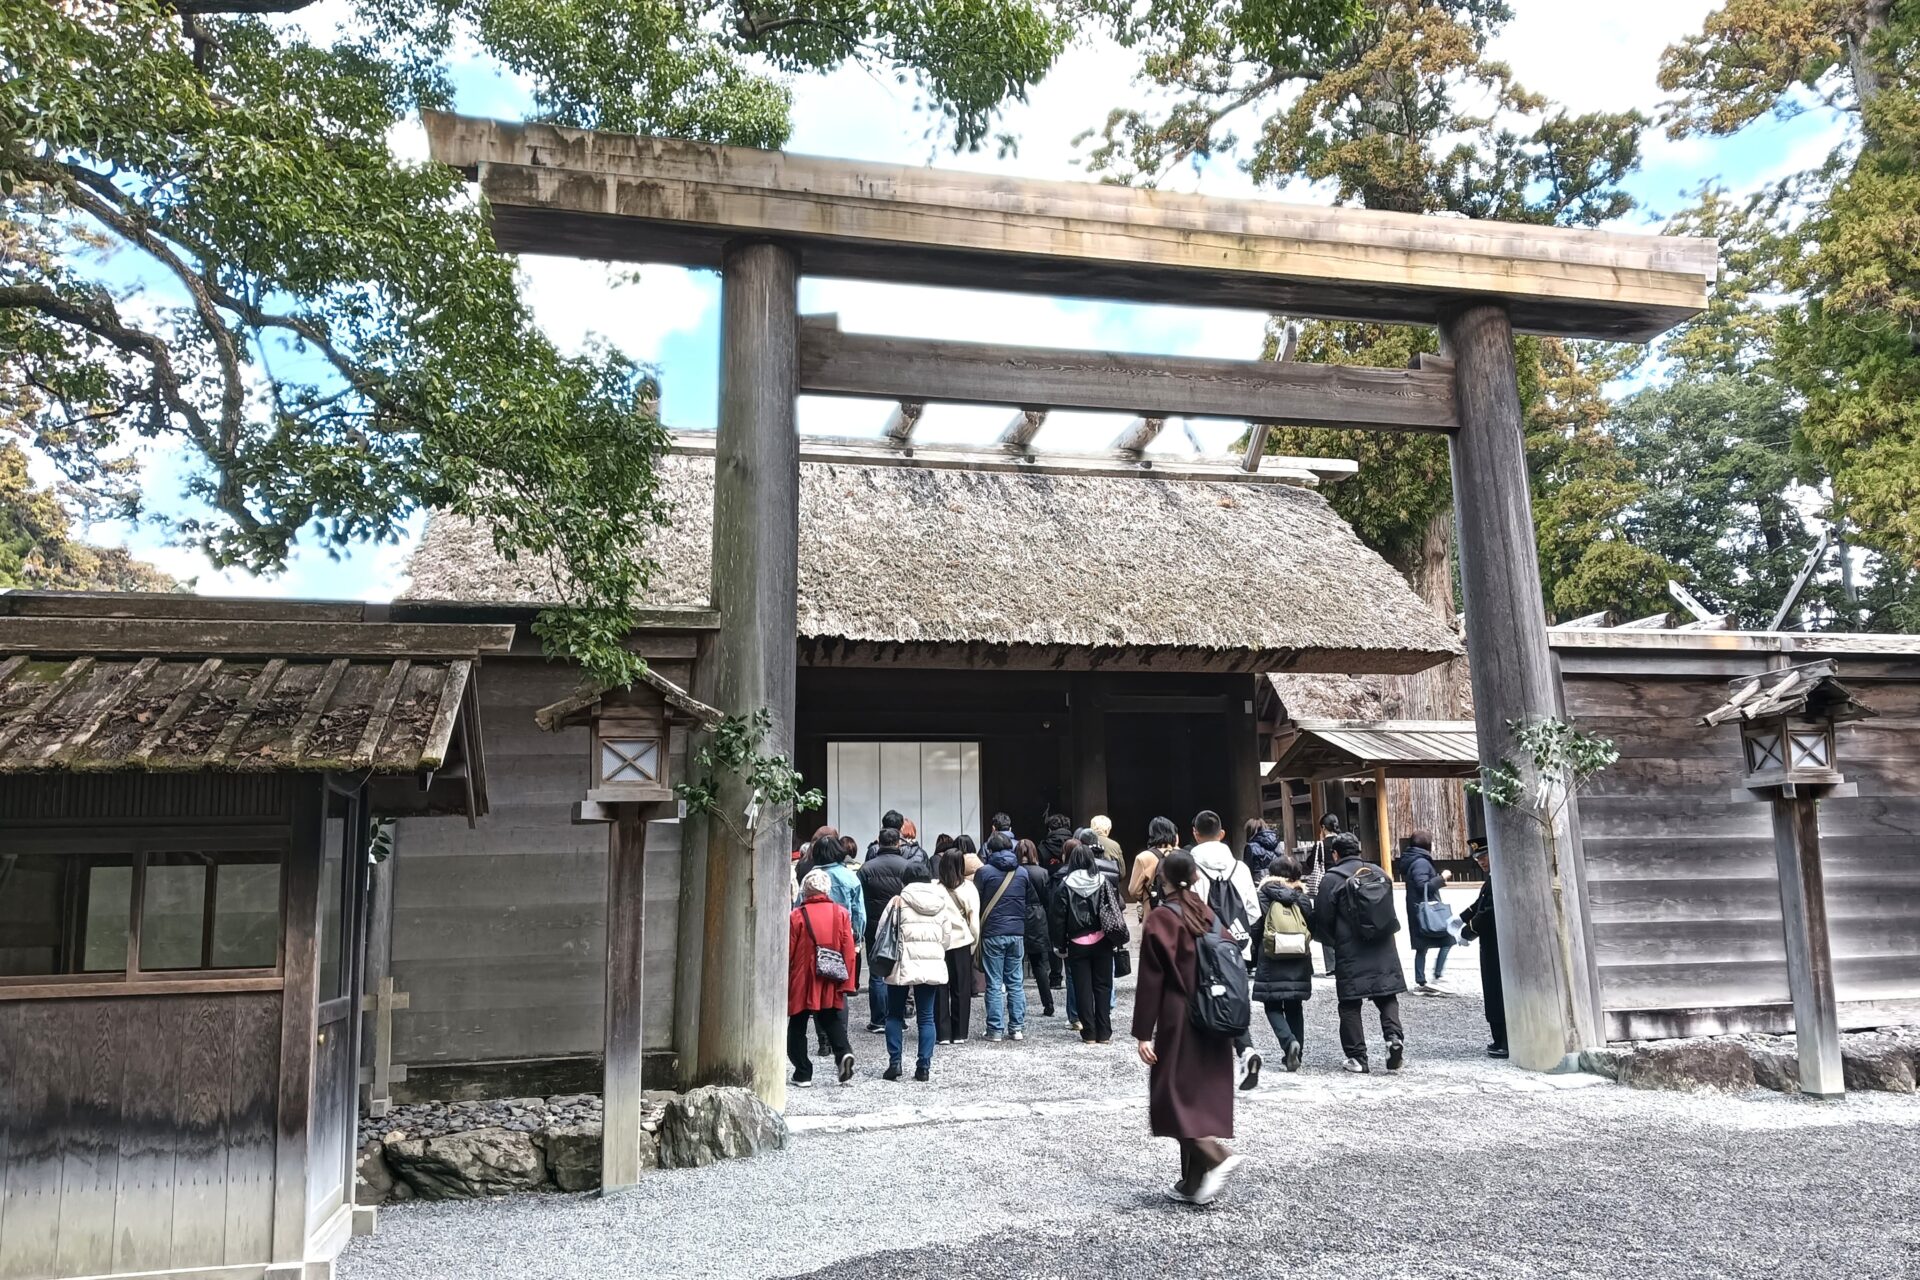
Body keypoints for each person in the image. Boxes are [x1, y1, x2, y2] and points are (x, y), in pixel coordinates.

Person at [1133, 849, 1243, 1205]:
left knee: (1170, 1094)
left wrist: (1142, 1032)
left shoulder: (1162, 918)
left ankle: (1216, 1156)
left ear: (1162, 879)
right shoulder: (1207, 912)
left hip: (1179, 1013)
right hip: (1214, 1011)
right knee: (1198, 1095)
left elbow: (1152, 979)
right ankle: (1193, 1183)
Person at [1310, 831, 1407, 1073]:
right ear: (1359, 850)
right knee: (1386, 995)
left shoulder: (1332, 879)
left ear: (1335, 854)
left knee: (1350, 1003)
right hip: (1383, 946)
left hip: (1350, 948)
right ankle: (1393, 1038)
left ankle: (1357, 1057)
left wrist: (1333, 941)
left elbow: (1322, 918)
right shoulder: (1378, 872)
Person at [1189, 809, 1262, 1090]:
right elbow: (1253, 911)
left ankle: (1207, 1071)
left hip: (1204, 945)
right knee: (1233, 1000)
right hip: (1236, 945)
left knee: (1202, 1002)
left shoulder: (1191, 866)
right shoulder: (1239, 868)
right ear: (1222, 834)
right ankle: (1246, 1049)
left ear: (1195, 834)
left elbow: (1190, 910)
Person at [877, 860, 967, 1081]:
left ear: (905, 879)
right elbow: (946, 938)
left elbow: (882, 932)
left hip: (901, 963)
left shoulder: (897, 901)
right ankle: (923, 1067)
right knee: (926, 1017)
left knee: (894, 1014)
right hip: (930, 963)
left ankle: (895, 1063)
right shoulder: (940, 903)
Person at [788, 869, 857, 1087]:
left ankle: (803, 1072)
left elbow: (788, 951)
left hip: (803, 977)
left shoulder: (797, 915)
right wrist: (847, 982)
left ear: (805, 890)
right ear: (827, 889)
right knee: (829, 1017)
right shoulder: (841, 913)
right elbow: (848, 949)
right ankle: (843, 1053)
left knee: (797, 1023)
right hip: (830, 974)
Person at [802, 833, 867, 1056]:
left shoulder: (811, 877)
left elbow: (799, 907)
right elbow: (859, 912)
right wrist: (857, 936)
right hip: (842, 936)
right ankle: (841, 1037)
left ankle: (823, 1041)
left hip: (814, 936)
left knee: (818, 986)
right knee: (839, 988)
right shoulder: (850, 877)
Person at [1050, 843, 1122, 1044]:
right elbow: (1114, 907)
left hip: (1076, 942)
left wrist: (1060, 944)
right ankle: (1104, 1032)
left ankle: (1089, 1032)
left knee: (1082, 988)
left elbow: (1058, 918)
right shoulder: (1103, 881)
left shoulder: (1065, 884)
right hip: (1102, 940)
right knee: (1103, 986)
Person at [1252, 852, 1314, 1073]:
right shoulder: (1301, 896)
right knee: (1294, 1005)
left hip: (1271, 956)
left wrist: (1254, 951)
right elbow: (1312, 925)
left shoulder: (1263, 894)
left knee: (1272, 1004)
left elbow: (1256, 926)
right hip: (1298, 956)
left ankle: (1289, 1043)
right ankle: (1297, 1053)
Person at [972, 833, 1030, 1041]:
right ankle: (1017, 1028)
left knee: (994, 983)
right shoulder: (1022, 872)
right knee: (1015, 982)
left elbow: (976, 900)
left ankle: (995, 1029)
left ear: (989, 850)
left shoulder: (984, 872)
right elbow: (1028, 900)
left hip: (992, 932)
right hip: (1016, 931)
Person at [858, 828, 916, 1032]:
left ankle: (878, 1020)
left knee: (877, 971)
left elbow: (860, 899)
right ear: (898, 843)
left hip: (875, 925)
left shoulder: (866, 868)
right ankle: (898, 1017)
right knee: (899, 969)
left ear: (879, 843)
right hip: (902, 923)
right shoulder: (907, 866)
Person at [1458, 846, 1506, 1058]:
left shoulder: (1500, 878)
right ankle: (1499, 1038)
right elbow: (1480, 903)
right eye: (1478, 859)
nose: (1481, 862)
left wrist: (1468, 930)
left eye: (1484, 857)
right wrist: (1461, 918)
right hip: (1492, 943)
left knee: (1496, 989)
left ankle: (1504, 1041)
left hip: (1497, 944)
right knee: (1493, 989)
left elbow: (1489, 911)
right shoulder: (1493, 879)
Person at [1396, 829, 1453, 990]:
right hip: (1425, 910)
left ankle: (1421, 979)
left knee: (1422, 946)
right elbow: (1423, 886)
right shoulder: (1421, 861)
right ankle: (1436, 975)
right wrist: (1442, 878)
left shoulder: (1414, 858)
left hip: (1417, 908)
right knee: (1447, 939)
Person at [934, 848, 980, 1044]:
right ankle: (960, 1032)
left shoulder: (934, 888)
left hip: (939, 943)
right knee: (961, 988)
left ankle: (942, 1033)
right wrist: (973, 944)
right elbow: (974, 922)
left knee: (940, 987)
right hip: (962, 941)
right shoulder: (969, 888)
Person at [1016, 838, 1056, 1017]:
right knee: (1039, 964)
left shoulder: (1014, 873)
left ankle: (1017, 1006)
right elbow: (1048, 899)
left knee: (1015, 964)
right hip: (1038, 917)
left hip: (1017, 916)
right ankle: (1048, 1004)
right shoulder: (1043, 873)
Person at [1130, 815, 1178, 918]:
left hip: (1153, 912)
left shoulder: (1143, 857)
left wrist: (1147, 896)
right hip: (1178, 911)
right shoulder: (1182, 855)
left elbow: (1133, 891)